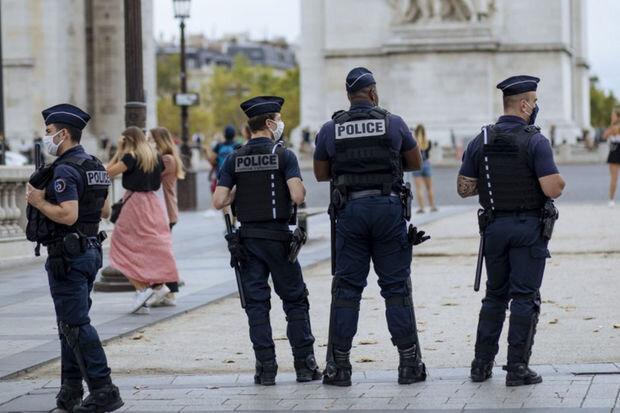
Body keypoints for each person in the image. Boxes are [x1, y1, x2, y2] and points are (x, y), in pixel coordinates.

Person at [313, 67, 428, 386]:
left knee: (347, 288)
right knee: (395, 286)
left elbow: (321, 173)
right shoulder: (393, 123)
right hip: (388, 208)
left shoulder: (330, 128)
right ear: (373, 93)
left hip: (350, 209)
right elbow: (416, 163)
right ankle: (408, 364)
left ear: (349, 97)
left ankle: (339, 367)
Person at [457, 75, 565, 386]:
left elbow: (464, 188)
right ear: (523, 105)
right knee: (524, 297)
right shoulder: (535, 140)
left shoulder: (483, 139)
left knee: (494, 295)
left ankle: (481, 365)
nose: (535, 107)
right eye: (533, 102)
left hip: (494, 228)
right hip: (528, 228)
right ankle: (517, 367)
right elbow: (552, 188)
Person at [213, 96, 321, 386]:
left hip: (247, 241)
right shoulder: (284, 155)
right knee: (295, 301)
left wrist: (238, 192)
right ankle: (304, 365)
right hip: (279, 240)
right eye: (279, 118)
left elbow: (218, 200)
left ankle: (265, 368)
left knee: (256, 306)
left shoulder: (234, 157)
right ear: (270, 123)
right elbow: (298, 196)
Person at [25, 103, 123, 413]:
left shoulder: (65, 169)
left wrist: (39, 202)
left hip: (68, 254)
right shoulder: (94, 165)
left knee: (76, 324)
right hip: (90, 249)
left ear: (64, 133)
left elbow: (68, 215)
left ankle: (103, 389)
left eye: (50, 132)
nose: (46, 137)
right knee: (69, 322)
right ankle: (70, 389)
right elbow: (105, 211)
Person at [106, 126, 180, 314]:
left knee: (119, 247)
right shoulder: (154, 157)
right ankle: (157, 286)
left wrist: (118, 151)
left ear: (128, 140)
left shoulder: (130, 157)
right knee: (148, 246)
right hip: (152, 204)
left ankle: (141, 288)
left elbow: (107, 173)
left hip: (134, 203)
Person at [148, 126, 185, 306]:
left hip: (165, 212)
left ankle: (166, 290)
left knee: (161, 253)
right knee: (160, 252)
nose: (148, 143)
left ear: (159, 141)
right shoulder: (164, 158)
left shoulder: (167, 159)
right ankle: (166, 290)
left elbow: (149, 174)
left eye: (151, 139)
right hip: (160, 211)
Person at [209, 125, 242, 225]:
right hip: (236, 175)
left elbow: (212, 159)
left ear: (225, 135)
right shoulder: (238, 145)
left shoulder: (219, 146)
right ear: (234, 135)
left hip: (222, 175)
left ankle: (228, 225)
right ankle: (234, 223)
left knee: (224, 201)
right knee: (234, 199)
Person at [410, 124, 437, 213]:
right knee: (429, 188)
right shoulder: (427, 142)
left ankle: (422, 208)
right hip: (426, 164)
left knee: (419, 189)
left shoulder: (414, 141)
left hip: (417, 165)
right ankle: (432, 206)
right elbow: (428, 154)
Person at [603, 108, 620, 207]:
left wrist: (611, 124)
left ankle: (611, 199)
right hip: (616, 150)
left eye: (613, 116)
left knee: (614, 178)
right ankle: (611, 199)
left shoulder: (615, 128)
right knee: (614, 177)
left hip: (616, 151)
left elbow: (605, 135)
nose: (611, 117)